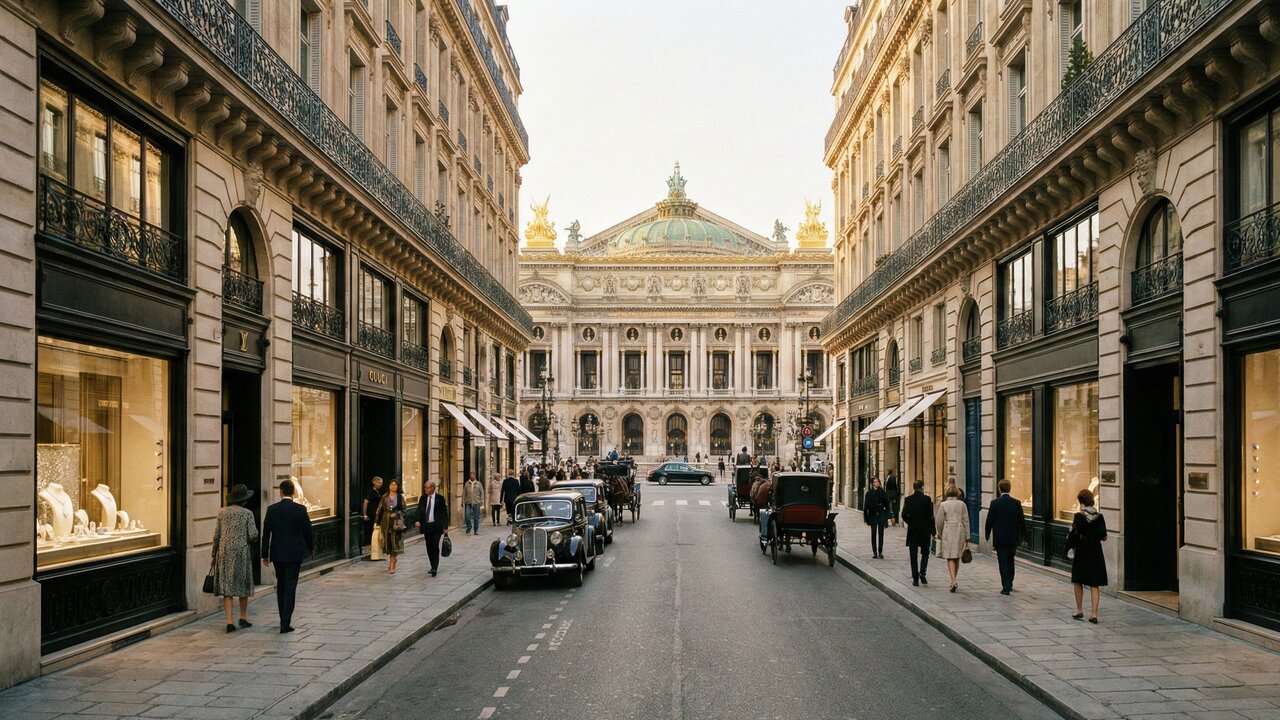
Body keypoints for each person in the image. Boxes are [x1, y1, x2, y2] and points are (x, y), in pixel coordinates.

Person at [261, 479, 313, 633]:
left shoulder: (272, 509)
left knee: (281, 585)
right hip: (294, 553)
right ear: (293, 492)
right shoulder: (300, 509)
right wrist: (310, 548)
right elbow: (307, 531)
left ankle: (282, 618)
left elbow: (266, 534)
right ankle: (285, 622)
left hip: (277, 554)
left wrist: (265, 554)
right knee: (291, 586)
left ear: (281, 492)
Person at [213, 484, 258, 632]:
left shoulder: (222, 513)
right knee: (243, 585)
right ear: (244, 500)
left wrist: (213, 554)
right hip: (241, 553)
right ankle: (243, 617)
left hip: (224, 552)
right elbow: (253, 534)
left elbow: (217, 535)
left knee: (228, 587)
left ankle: (229, 620)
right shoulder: (247, 514)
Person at [1069, 488, 1108, 623]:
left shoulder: (1079, 516)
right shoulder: (1100, 516)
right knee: (1094, 583)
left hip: (1082, 550)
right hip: (1095, 550)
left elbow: (1074, 535)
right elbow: (1104, 537)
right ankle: (1094, 613)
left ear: (1081, 502)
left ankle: (1079, 610)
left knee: (1078, 580)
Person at [985, 479, 1027, 595]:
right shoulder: (1016, 503)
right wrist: (1025, 537)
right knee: (1010, 560)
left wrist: (987, 534)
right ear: (1010, 488)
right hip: (1013, 538)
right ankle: (1010, 582)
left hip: (1000, 538)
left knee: (1002, 561)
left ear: (999, 489)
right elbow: (1022, 521)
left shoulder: (995, 503)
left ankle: (1006, 586)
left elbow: (989, 521)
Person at [934, 485, 970, 593]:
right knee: (957, 556)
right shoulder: (962, 504)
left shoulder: (943, 504)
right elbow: (966, 520)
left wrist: (939, 533)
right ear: (958, 494)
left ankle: (953, 580)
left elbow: (939, 521)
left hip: (948, 530)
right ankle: (954, 579)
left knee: (950, 556)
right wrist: (967, 536)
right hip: (960, 530)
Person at [900, 480, 934, 586]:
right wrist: (933, 531)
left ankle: (915, 578)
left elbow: (904, 514)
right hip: (925, 530)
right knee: (925, 553)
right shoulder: (927, 499)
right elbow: (931, 516)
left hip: (913, 530)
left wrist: (911, 523)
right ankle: (922, 573)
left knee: (913, 555)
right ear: (922, 487)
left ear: (914, 488)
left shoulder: (908, 499)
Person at [415, 480, 450, 577]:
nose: (425, 489)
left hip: (437, 526)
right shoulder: (422, 498)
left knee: (435, 545)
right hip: (427, 526)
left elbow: (444, 514)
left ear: (433, 488)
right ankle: (432, 565)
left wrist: (445, 527)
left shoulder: (440, 499)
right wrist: (417, 520)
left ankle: (435, 567)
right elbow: (419, 510)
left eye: (427, 488)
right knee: (429, 547)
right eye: (424, 487)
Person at [375, 479, 406, 574]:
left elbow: (404, 510)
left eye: (395, 485)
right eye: (392, 484)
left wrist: (397, 514)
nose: (393, 486)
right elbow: (379, 510)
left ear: (398, 486)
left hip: (397, 524)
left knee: (395, 544)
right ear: (389, 486)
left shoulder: (400, 498)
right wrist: (377, 522)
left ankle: (392, 565)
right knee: (388, 544)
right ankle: (392, 560)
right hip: (386, 523)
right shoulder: (384, 497)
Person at [863, 477, 890, 559]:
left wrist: (886, 517)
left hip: (881, 515)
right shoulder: (869, 493)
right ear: (872, 483)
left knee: (881, 534)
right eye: (875, 482)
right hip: (872, 515)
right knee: (873, 534)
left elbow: (887, 505)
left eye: (878, 482)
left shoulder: (882, 492)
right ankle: (874, 551)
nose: (877, 483)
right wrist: (866, 518)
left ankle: (880, 552)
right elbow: (866, 506)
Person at [361, 476, 384, 554]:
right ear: (374, 483)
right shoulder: (370, 491)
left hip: (377, 514)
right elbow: (365, 502)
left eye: (381, 483)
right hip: (371, 514)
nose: (381, 484)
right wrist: (364, 514)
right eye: (379, 482)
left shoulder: (377, 491)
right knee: (371, 530)